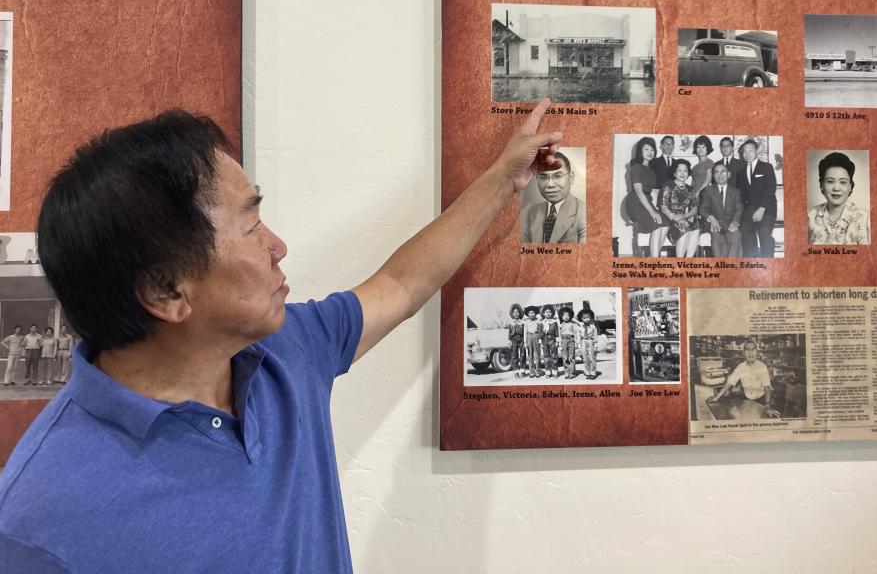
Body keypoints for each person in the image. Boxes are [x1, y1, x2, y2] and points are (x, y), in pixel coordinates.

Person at [0, 101, 562, 572]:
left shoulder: (285, 351)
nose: (279, 246)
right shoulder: (42, 518)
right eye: (250, 227)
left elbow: (401, 282)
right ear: (167, 291)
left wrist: (502, 179)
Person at [520, 150, 586, 244]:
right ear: (537, 180)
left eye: (558, 176)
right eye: (543, 177)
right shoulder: (528, 213)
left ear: (571, 178)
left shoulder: (584, 213)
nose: (550, 184)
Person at [807, 151, 869, 245]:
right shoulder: (810, 217)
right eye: (830, 181)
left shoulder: (865, 219)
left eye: (843, 182)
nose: (836, 188)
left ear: (850, 186)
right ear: (821, 185)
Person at [707, 340, 774, 415]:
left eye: (753, 349)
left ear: (757, 352)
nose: (750, 352)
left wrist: (767, 405)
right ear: (743, 353)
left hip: (761, 401)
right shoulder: (740, 367)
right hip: (746, 400)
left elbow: (767, 387)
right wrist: (717, 397)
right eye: (747, 349)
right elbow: (729, 383)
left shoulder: (762, 367)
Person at [735, 139, 777, 257]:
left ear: (757, 151)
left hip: (767, 208)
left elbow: (770, 189)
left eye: (750, 150)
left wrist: (762, 209)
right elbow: (741, 196)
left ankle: (768, 263)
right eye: (744, 152)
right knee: (745, 234)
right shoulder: (741, 172)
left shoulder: (767, 167)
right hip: (749, 210)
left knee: (764, 233)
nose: (747, 154)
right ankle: (751, 265)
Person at [624, 137, 665, 257]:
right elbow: (639, 191)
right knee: (657, 223)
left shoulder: (651, 170)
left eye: (652, 150)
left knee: (666, 223)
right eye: (646, 149)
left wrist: (658, 209)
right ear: (640, 152)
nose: (650, 152)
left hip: (647, 200)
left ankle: (654, 256)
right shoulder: (636, 167)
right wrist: (653, 212)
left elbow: (652, 191)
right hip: (636, 202)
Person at [698, 161, 744, 257]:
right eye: (716, 172)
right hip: (715, 224)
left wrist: (735, 222)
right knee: (716, 238)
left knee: (736, 235)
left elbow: (739, 209)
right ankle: (721, 266)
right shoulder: (708, 190)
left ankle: (730, 266)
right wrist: (711, 218)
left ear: (728, 174)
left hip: (730, 223)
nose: (720, 175)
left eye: (723, 171)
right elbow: (702, 209)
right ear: (713, 176)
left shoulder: (735, 191)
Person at [657, 160, 700, 257]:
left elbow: (695, 209)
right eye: (679, 170)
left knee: (696, 228)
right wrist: (674, 217)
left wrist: (684, 216)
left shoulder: (690, 189)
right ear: (674, 173)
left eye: (685, 171)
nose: (682, 173)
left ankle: (688, 262)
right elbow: (663, 207)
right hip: (668, 219)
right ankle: (679, 262)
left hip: (683, 217)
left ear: (688, 173)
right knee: (684, 229)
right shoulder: (668, 186)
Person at [578, 308, 599, 379]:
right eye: (584, 318)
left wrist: (596, 344)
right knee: (584, 358)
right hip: (583, 342)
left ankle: (593, 373)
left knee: (592, 357)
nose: (586, 319)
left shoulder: (593, 327)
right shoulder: (580, 327)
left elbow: (595, 336)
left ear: (590, 318)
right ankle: (587, 372)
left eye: (588, 317)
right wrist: (579, 345)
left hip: (590, 342)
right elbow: (578, 336)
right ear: (581, 318)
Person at [522, 304, 542, 378]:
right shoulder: (526, 322)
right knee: (530, 356)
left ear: (535, 313)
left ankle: (538, 371)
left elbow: (540, 331)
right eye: (530, 313)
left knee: (537, 355)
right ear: (528, 314)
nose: (532, 314)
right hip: (529, 337)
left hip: (536, 336)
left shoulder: (538, 321)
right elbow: (525, 332)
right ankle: (531, 372)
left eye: (533, 313)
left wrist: (540, 339)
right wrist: (525, 342)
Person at [558, 306, 578, 379]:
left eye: (568, 315)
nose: (566, 317)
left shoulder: (573, 324)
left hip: (571, 340)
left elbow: (576, 333)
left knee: (571, 356)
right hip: (563, 341)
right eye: (564, 315)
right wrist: (560, 344)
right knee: (565, 357)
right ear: (561, 316)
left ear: (570, 316)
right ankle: (566, 373)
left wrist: (577, 343)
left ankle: (572, 373)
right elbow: (559, 335)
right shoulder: (560, 325)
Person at [506, 303, 526, 378]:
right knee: (514, 355)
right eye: (514, 312)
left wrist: (525, 341)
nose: (516, 314)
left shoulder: (522, 322)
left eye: (517, 312)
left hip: (521, 339)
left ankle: (522, 371)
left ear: (520, 313)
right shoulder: (511, 323)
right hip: (514, 340)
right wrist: (509, 341)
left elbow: (525, 332)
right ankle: (516, 372)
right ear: (512, 314)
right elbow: (509, 333)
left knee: (523, 355)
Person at [540, 305, 559, 378]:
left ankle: (555, 372)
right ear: (544, 314)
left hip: (552, 340)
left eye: (550, 312)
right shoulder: (541, 323)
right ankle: (548, 372)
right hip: (544, 340)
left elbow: (557, 332)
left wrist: (557, 341)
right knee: (546, 357)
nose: (548, 313)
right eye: (546, 312)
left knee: (554, 356)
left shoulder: (554, 322)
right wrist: (541, 342)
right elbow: (540, 333)